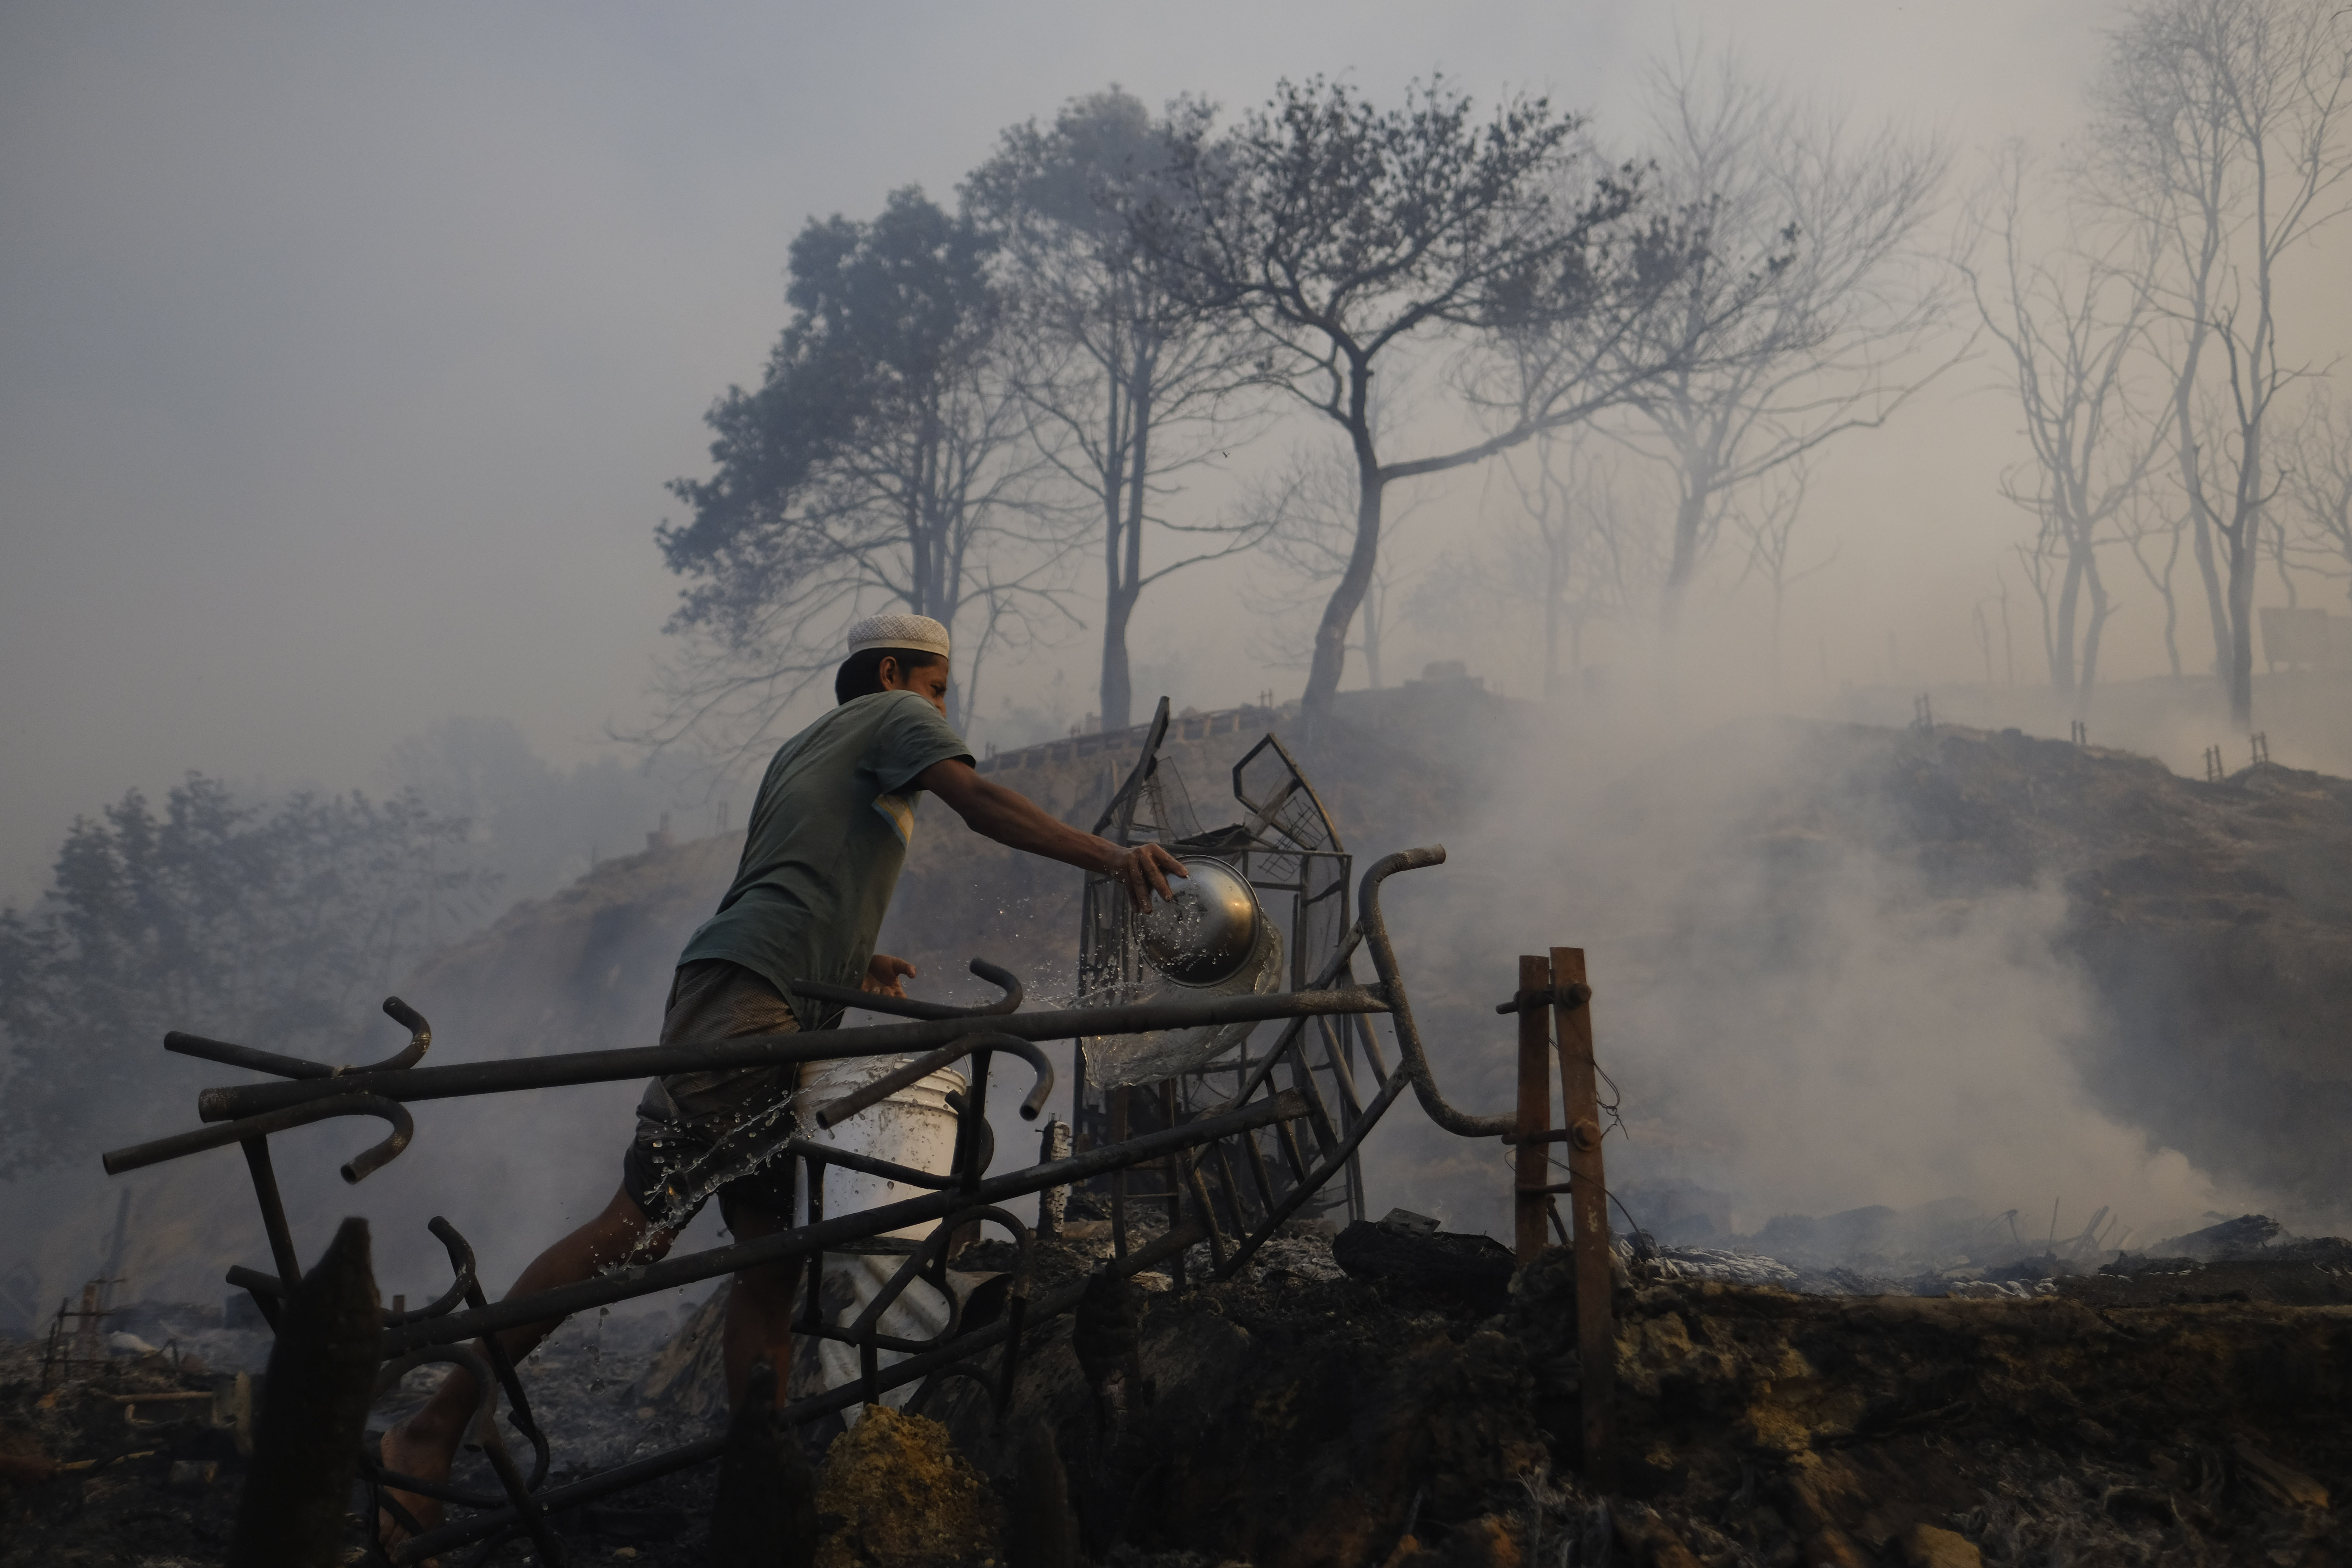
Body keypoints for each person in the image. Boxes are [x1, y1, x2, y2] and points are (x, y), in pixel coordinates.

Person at [379, 612, 1185, 1548]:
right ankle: (430, 1429)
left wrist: (855, 960)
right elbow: (980, 803)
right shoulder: (895, 717)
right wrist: (1109, 855)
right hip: (747, 1000)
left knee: (768, 1260)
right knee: (638, 1227)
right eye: (937, 687)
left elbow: (789, 877)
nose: (942, 709)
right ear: (893, 672)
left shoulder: (811, 748)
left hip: (770, 997)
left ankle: (751, 1484)